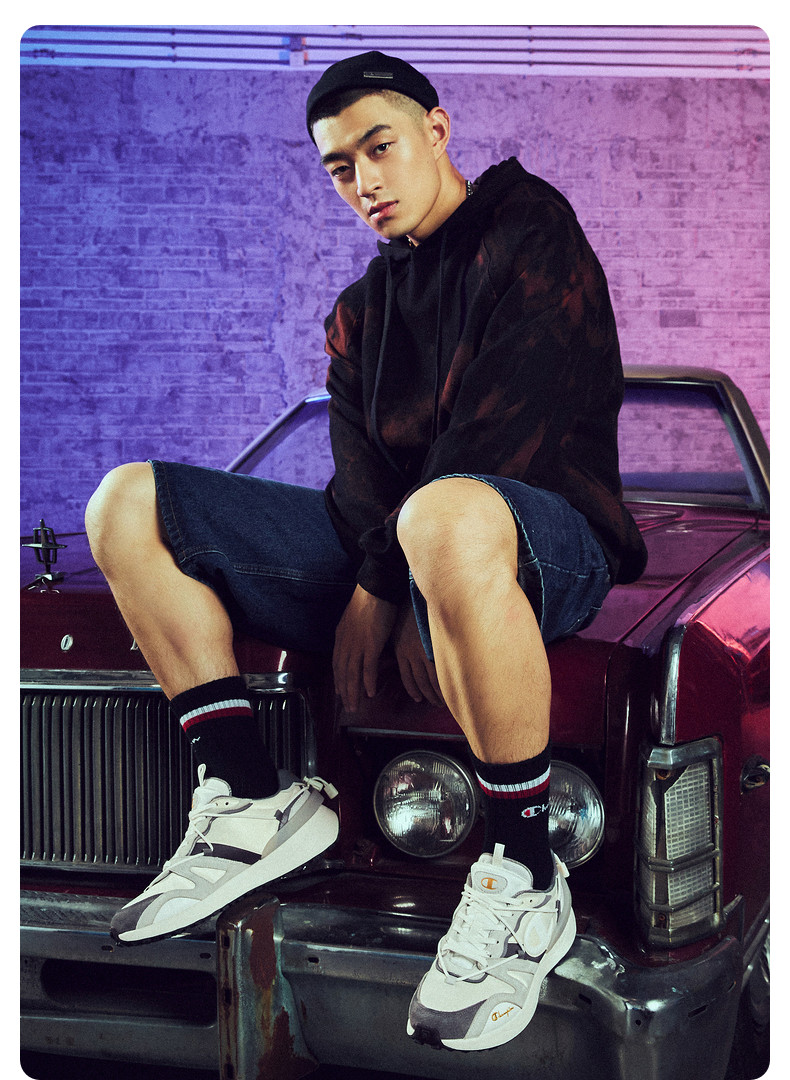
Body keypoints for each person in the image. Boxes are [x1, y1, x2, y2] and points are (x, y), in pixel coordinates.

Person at [85, 51, 647, 1053]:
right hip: (409, 546)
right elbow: (356, 485)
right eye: (340, 168)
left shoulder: (530, 230)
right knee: (126, 501)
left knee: (442, 515)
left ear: (437, 129)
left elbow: (500, 434)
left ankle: (526, 871)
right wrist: (383, 573)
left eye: (379, 148)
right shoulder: (360, 310)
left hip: (549, 545)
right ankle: (250, 795)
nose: (364, 183)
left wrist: (388, 585)